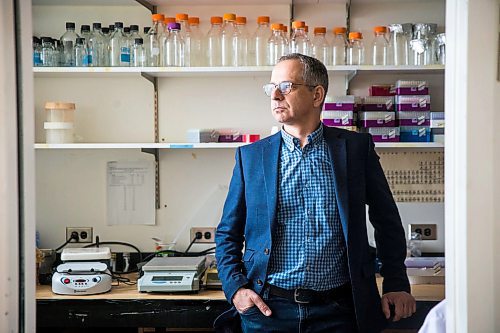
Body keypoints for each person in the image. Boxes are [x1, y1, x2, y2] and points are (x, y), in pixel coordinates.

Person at [214, 53, 416, 333]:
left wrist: (396, 284)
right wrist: (236, 288)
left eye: (286, 86)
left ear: (317, 94)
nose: (274, 96)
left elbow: (387, 221)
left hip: (341, 310)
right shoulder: (251, 157)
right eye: (270, 87)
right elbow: (227, 233)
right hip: (268, 310)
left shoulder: (356, 149)